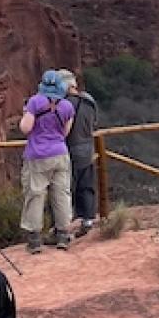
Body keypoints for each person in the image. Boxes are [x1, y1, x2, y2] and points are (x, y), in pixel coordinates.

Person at [19, 70, 76, 254]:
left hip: (37, 155)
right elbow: (65, 132)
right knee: (61, 194)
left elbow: (25, 128)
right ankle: (63, 235)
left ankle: (35, 240)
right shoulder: (67, 106)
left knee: (36, 195)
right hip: (60, 154)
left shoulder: (35, 102)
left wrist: (26, 114)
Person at [57, 69, 98, 237]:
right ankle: (88, 220)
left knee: (64, 188)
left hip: (70, 149)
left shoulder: (65, 104)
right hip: (88, 148)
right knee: (86, 185)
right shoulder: (89, 101)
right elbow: (94, 122)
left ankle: (63, 226)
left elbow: (60, 128)